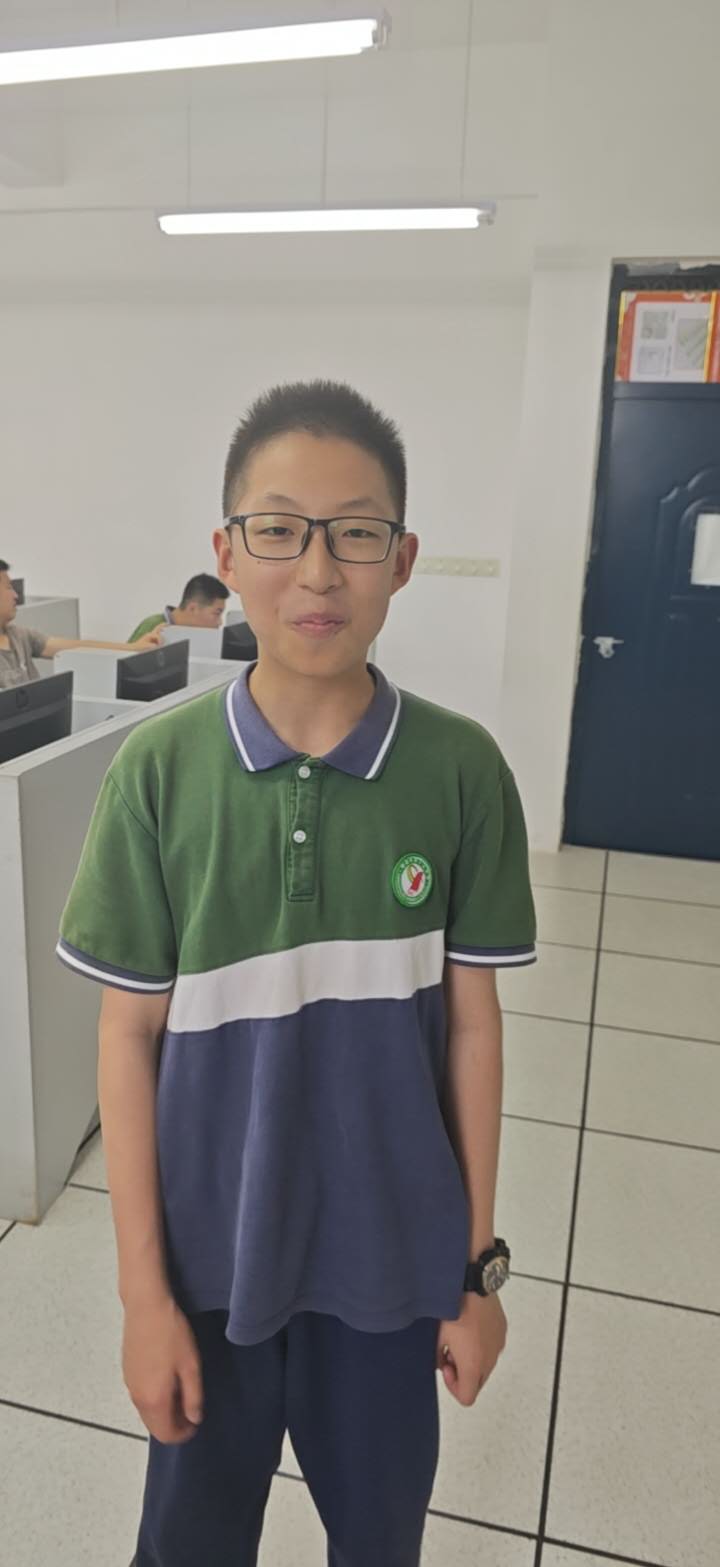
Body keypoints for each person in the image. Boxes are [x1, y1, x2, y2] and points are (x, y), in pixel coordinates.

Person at [57, 380, 536, 1567]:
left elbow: (473, 1029)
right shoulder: (158, 773)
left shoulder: (461, 771)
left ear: (402, 559)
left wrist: (476, 1272)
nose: (317, 570)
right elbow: (126, 1037)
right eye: (278, 530)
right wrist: (144, 1297)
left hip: (390, 1267)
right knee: (189, 1543)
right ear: (226, 553)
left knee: (377, 1541)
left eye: (356, 533)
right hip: (209, 1266)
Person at [0, 561, 161, 690]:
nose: (15, 595)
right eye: (8, 588)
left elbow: (77, 647)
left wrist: (133, 648)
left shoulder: (19, 636)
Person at [128, 573, 230, 642]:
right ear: (193, 609)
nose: (220, 622)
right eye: (217, 613)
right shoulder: (153, 626)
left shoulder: (194, 635)